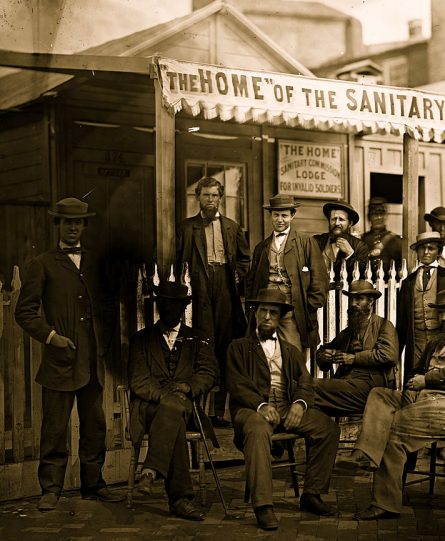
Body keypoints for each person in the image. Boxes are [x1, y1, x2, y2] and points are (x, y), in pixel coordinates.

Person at [351, 288, 445, 520]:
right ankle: (370, 453)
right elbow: (418, 369)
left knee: (395, 429)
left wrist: (427, 379)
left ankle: (385, 504)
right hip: (422, 397)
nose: (442, 319)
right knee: (380, 394)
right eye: (441, 313)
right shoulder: (436, 342)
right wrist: (415, 381)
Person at [14, 197, 122, 510]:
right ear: (57, 225)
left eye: (78, 222)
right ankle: (50, 489)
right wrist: (51, 337)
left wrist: (104, 343)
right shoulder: (43, 264)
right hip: (59, 362)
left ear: (84, 226)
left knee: (94, 427)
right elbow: (25, 311)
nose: (73, 227)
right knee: (55, 429)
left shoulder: (95, 264)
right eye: (67, 222)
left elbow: (108, 307)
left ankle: (93, 484)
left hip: (91, 362)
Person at [226, 289, 340, 531]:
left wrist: (300, 404)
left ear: (279, 319)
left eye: (273, 313)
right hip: (251, 410)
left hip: (285, 409)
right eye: (263, 311)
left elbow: (305, 382)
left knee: (327, 428)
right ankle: (264, 506)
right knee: (258, 430)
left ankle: (312, 494)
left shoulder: (290, 351)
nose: (267, 317)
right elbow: (237, 386)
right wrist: (261, 405)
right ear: (255, 314)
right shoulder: (238, 347)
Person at [128, 281, 218, 521]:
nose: (169, 309)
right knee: (172, 411)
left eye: (174, 305)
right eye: (164, 304)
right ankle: (179, 500)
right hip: (149, 408)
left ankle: (150, 471)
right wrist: (164, 396)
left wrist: (189, 387)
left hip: (186, 407)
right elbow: (138, 380)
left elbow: (208, 372)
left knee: (175, 411)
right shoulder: (141, 340)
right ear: (158, 306)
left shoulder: (199, 338)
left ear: (183, 308)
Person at [176, 176, 250, 428]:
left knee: (226, 348)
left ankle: (220, 412)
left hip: (225, 289)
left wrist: (240, 273)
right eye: (206, 195)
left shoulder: (231, 227)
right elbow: (178, 261)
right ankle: (198, 413)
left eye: (215, 195)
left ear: (220, 198)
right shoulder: (187, 228)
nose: (211, 200)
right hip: (199, 289)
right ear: (198, 197)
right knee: (201, 347)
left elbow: (244, 259)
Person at [245, 194, 328, 352]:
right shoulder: (261, 247)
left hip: (291, 307)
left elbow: (320, 279)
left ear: (292, 215)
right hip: (266, 306)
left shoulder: (305, 243)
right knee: (264, 350)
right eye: (276, 215)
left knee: (292, 351)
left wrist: (307, 306)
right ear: (271, 216)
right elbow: (251, 281)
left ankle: (292, 377)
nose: (280, 220)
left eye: (284, 215)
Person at [314, 279, 398, 416]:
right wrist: (324, 356)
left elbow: (389, 355)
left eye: (359, 299)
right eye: (351, 299)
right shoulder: (348, 332)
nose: (353, 304)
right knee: (306, 394)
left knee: (311, 387)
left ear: (371, 301)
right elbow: (324, 350)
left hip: (372, 389)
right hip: (346, 386)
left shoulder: (384, 325)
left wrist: (354, 358)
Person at [396, 232, 445, 381]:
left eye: (431, 248)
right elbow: (402, 321)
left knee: (438, 376)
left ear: (438, 252)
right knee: (414, 379)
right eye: (422, 248)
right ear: (417, 252)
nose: (426, 252)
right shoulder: (408, 282)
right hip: (416, 340)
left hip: (441, 339)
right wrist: (397, 355)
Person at [313, 200, 369, 282]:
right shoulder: (317, 241)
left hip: (345, 293)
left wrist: (350, 254)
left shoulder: (360, 246)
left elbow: (361, 275)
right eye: (333, 219)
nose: (337, 223)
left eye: (341, 219)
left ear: (350, 223)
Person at [361, 197, 402, 280]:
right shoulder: (362, 240)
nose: (379, 217)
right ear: (369, 217)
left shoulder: (397, 241)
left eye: (382, 214)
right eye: (374, 214)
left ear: (386, 216)